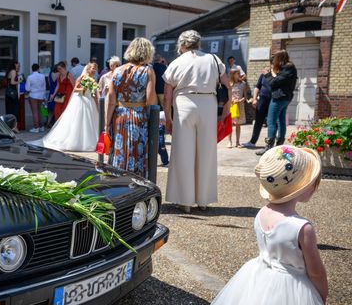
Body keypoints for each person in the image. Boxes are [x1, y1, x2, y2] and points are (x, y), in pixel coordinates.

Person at [158, 145, 347, 305]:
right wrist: (321, 294)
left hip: (259, 280)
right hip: (293, 290)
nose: (315, 186)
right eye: (312, 182)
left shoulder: (261, 214)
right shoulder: (302, 228)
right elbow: (316, 271)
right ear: (302, 188)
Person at [163, 30, 231, 213]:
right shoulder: (213, 59)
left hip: (184, 103)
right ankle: (203, 200)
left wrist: (168, 118)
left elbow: (167, 96)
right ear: (198, 43)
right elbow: (226, 84)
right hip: (208, 104)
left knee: (183, 152)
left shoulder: (177, 62)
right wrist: (227, 106)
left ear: (182, 44)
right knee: (206, 152)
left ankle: (184, 201)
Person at [105, 38, 157, 176]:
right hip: (138, 115)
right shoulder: (148, 71)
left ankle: (118, 180)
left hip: (119, 115)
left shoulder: (116, 71)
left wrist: (107, 122)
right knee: (137, 151)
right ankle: (136, 182)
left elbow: (111, 100)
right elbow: (151, 100)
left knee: (119, 150)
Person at [36, 62, 99, 152]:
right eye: (93, 68)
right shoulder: (81, 78)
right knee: (76, 119)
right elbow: (75, 89)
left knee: (89, 121)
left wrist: (97, 104)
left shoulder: (93, 80)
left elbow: (93, 94)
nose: (94, 70)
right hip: (80, 100)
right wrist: (84, 89)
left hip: (89, 101)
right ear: (88, 69)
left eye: (95, 69)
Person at [257, 50, 298, 155]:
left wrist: (267, 75)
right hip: (284, 98)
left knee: (271, 121)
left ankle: (269, 146)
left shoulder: (288, 68)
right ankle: (279, 145)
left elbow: (274, 83)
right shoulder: (288, 68)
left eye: (274, 58)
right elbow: (278, 81)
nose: (273, 60)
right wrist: (273, 72)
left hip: (279, 98)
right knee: (281, 121)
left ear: (279, 58)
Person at [243, 65, 272, 148]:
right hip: (262, 100)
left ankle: (271, 143)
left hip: (272, 101)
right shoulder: (263, 75)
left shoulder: (276, 75)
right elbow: (257, 87)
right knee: (258, 121)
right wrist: (254, 99)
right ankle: (252, 142)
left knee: (271, 122)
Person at [228, 69, 246, 148]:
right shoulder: (230, 84)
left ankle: (237, 142)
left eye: (239, 73)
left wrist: (239, 100)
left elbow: (245, 97)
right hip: (231, 105)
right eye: (237, 73)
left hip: (240, 106)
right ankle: (229, 141)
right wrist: (232, 100)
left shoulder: (243, 84)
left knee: (238, 125)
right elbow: (227, 96)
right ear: (233, 74)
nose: (239, 75)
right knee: (230, 124)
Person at [25, 63, 46, 133]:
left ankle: (36, 127)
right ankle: (42, 126)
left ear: (32, 69)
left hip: (33, 95)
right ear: (38, 68)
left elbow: (27, 89)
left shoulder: (30, 77)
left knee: (35, 112)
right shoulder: (42, 76)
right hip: (41, 95)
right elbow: (44, 87)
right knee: (41, 111)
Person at [5, 61, 21, 132]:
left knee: (10, 109)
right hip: (13, 93)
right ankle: (15, 127)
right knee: (15, 109)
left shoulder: (9, 71)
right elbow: (12, 82)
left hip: (8, 93)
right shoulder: (13, 71)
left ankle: (10, 127)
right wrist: (19, 81)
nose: (18, 66)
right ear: (14, 65)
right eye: (17, 65)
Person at [45, 64, 59, 128]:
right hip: (57, 93)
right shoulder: (59, 74)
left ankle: (48, 122)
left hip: (51, 92)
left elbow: (49, 83)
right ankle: (56, 123)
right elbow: (59, 84)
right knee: (57, 109)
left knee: (50, 110)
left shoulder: (50, 74)